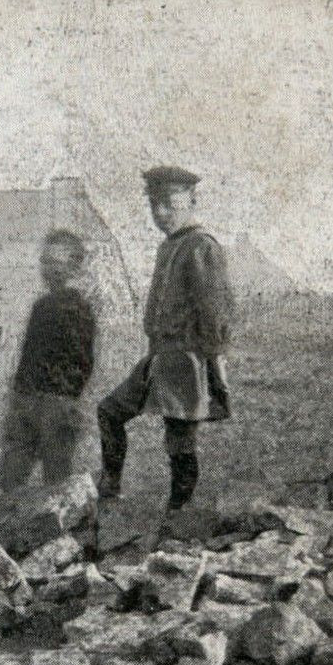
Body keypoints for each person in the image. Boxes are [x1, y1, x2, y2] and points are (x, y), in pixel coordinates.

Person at [97, 166, 235, 511]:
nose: (160, 213)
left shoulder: (201, 247)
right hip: (159, 358)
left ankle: (179, 511)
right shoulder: (168, 247)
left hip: (187, 360)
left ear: (191, 201)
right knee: (110, 412)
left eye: (169, 203)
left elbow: (215, 311)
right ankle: (109, 488)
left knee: (179, 439)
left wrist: (215, 363)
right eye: (154, 205)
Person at [0, 230, 99, 491]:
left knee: (56, 482)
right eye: (45, 262)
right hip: (27, 400)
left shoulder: (79, 307)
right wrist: (20, 392)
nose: (48, 269)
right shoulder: (41, 306)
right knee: (11, 477)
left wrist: (64, 400)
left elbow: (83, 363)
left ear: (74, 267)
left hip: (57, 403)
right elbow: (28, 356)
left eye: (57, 263)